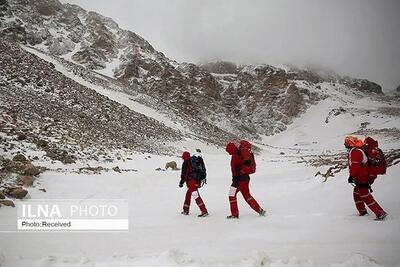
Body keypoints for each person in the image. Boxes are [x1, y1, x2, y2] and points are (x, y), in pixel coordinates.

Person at [344, 136, 387, 220]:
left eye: (346, 142)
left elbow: (355, 165)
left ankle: (380, 213)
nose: (345, 144)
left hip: (362, 176)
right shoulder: (358, 150)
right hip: (364, 176)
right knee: (357, 193)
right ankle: (362, 212)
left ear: (350, 143)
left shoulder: (356, 152)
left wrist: (352, 176)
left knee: (365, 194)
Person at [225, 142, 265, 219]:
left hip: (239, 180)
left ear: (231, 149)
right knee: (247, 196)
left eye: (228, 151)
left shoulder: (236, 156)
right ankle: (259, 210)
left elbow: (236, 170)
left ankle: (234, 214)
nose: (228, 153)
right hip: (245, 178)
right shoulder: (240, 153)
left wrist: (235, 181)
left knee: (231, 195)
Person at [179, 151, 208, 217]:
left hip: (191, 182)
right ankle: (185, 210)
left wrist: (181, 182)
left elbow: (184, 174)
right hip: (196, 181)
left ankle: (204, 210)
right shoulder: (193, 161)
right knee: (188, 195)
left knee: (196, 196)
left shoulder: (186, 163)